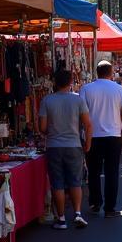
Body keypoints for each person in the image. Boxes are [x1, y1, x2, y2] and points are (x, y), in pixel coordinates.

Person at [39, 69, 92, 230]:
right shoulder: (78, 100)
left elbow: (42, 127)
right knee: (76, 181)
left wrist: (52, 131)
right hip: (74, 145)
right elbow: (88, 124)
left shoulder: (47, 100)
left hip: (54, 146)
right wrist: (88, 143)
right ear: (70, 82)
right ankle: (77, 213)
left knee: (58, 183)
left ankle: (61, 218)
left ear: (55, 82)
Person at [80, 61, 122, 216]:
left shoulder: (86, 89)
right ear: (111, 73)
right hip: (113, 136)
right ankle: (110, 207)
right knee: (112, 172)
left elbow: (81, 113)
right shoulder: (119, 89)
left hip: (93, 136)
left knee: (93, 171)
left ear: (97, 72)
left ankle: (95, 203)